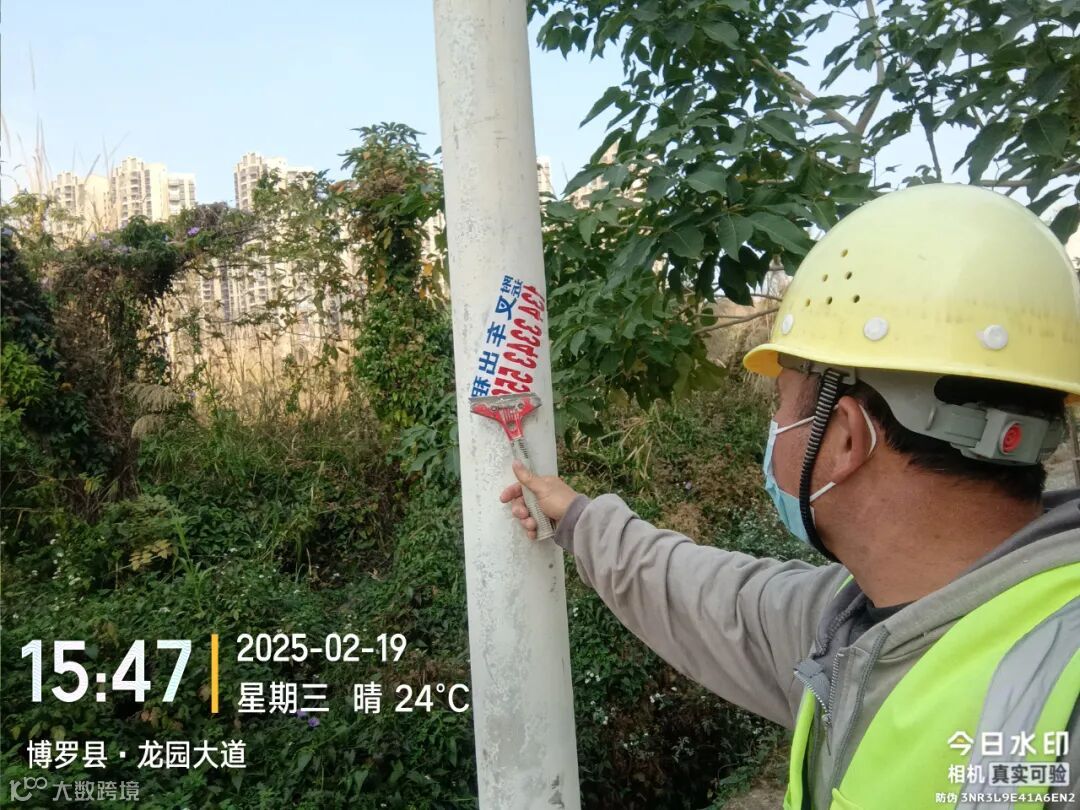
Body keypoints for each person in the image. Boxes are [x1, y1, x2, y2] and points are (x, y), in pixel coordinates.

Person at [499, 184, 1079, 809]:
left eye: (782, 404)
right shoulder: (851, 622)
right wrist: (577, 518)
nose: (774, 428)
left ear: (847, 437)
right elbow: (709, 597)